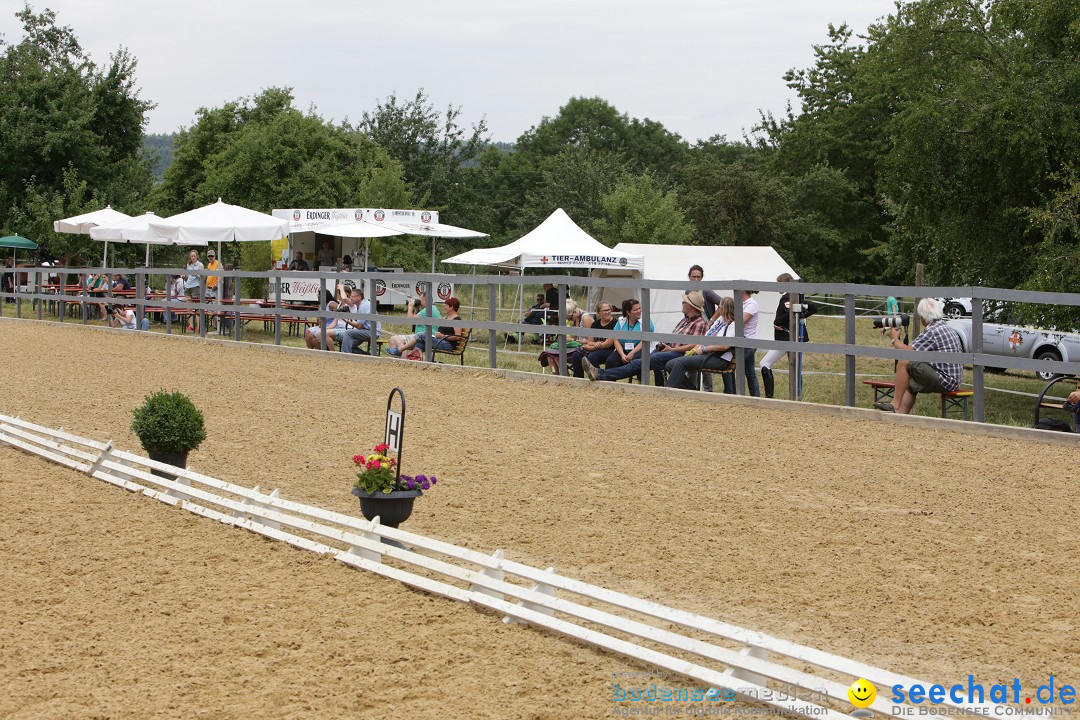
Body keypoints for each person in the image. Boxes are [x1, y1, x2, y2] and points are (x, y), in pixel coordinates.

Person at [874, 297, 963, 414]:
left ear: (924, 317)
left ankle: (894, 405)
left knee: (904, 361)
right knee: (912, 385)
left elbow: (906, 352)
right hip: (954, 380)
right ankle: (900, 417)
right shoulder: (945, 327)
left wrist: (894, 338)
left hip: (945, 380)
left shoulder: (932, 331)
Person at [759, 273, 818, 399]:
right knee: (795, 367)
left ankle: (770, 397)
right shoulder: (795, 296)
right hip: (792, 336)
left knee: (765, 363)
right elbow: (811, 309)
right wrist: (801, 316)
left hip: (785, 337)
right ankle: (797, 396)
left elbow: (789, 313)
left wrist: (777, 322)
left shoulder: (786, 298)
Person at [665, 297, 738, 391]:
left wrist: (704, 349)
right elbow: (705, 338)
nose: (718, 309)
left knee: (679, 363)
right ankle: (692, 391)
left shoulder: (733, 325)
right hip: (708, 355)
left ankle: (667, 392)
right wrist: (692, 351)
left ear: (725, 308)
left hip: (719, 358)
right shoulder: (720, 320)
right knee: (670, 364)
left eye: (719, 307)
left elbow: (725, 346)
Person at [581, 298, 655, 383]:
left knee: (636, 361)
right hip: (623, 349)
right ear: (628, 312)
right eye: (636, 309)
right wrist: (622, 354)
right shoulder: (621, 321)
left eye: (639, 308)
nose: (639, 311)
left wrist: (632, 352)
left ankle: (641, 383)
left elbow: (645, 341)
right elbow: (615, 339)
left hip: (641, 349)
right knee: (611, 361)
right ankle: (609, 385)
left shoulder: (646, 321)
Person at [646, 290, 708, 386]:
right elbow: (674, 335)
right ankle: (672, 386)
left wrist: (672, 349)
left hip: (684, 354)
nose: (682, 304)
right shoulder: (684, 320)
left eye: (684, 302)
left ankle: (662, 386)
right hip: (674, 350)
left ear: (689, 306)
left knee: (655, 358)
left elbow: (695, 344)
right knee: (652, 356)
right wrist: (666, 344)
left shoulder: (700, 323)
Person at [570, 301, 618, 378]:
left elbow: (607, 344)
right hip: (596, 347)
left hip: (610, 350)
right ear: (598, 313)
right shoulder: (595, 324)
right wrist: (594, 344)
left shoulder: (615, 323)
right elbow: (590, 341)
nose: (607, 312)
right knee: (576, 355)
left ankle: (600, 377)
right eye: (604, 310)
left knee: (592, 357)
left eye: (609, 310)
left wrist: (591, 347)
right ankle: (579, 379)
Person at [386, 291, 442, 357]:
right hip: (424, 337)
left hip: (422, 337)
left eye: (420, 301)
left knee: (394, 339)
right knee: (396, 339)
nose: (419, 303)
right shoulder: (433, 309)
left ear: (425, 300)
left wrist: (410, 307)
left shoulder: (428, 309)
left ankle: (402, 361)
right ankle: (400, 360)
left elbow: (410, 319)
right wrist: (416, 308)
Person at [538, 299, 585, 375]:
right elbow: (573, 337)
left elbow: (590, 341)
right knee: (550, 355)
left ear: (574, 312)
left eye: (569, 318)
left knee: (557, 356)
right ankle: (556, 376)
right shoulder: (574, 320)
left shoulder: (585, 318)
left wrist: (573, 340)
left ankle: (564, 377)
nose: (568, 320)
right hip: (574, 346)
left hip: (584, 348)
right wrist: (570, 339)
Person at [306, 280, 352, 350]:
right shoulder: (339, 305)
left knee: (319, 333)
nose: (337, 294)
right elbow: (335, 320)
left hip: (344, 327)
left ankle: (330, 352)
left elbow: (345, 299)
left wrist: (342, 288)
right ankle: (314, 351)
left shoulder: (347, 304)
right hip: (334, 326)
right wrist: (327, 327)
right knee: (309, 332)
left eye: (338, 293)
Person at [339, 284, 381, 355]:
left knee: (348, 333)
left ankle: (345, 356)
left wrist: (346, 320)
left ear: (359, 297)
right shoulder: (363, 304)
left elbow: (359, 326)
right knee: (349, 345)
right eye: (350, 296)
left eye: (352, 296)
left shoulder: (364, 306)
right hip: (367, 331)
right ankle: (366, 355)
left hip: (371, 332)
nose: (350, 298)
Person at [740, 289, 761, 397]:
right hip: (744, 341)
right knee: (750, 372)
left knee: (738, 368)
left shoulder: (752, 304)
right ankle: (755, 397)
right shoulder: (742, 303)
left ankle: (734, 393)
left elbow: (741, 320)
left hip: (748, 341)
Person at [183, 249, 204, 332]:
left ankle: (199, 326)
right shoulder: (188, 265)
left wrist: (196, 274)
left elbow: (203, 277)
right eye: (192, 256)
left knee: (198, 307)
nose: (193, 257)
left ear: (197, 256)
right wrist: (184, 276)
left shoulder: (200, 265)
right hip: (188, 286)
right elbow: (187, 275)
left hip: (196, 286)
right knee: (189, 307)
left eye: (194, 256)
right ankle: (191, 326)